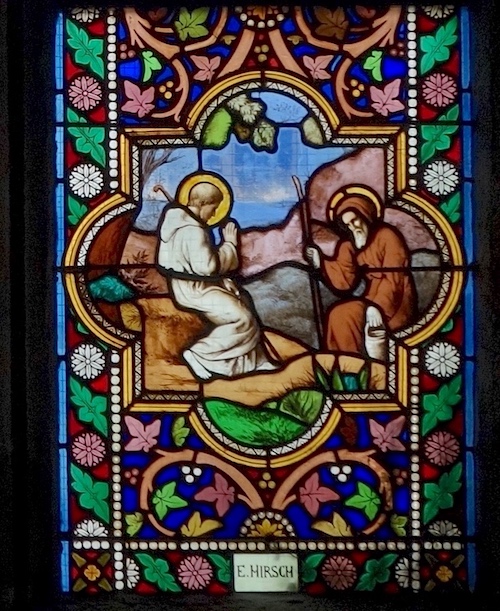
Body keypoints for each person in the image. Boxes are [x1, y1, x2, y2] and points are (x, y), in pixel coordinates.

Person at [157, 180, 276, 380]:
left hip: (196, 285)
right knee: (241, 318)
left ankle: (254, 361)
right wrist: (229, 244)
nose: (214, 214)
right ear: (203, 203)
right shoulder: (192, 230)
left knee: (243, 303)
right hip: (196, 290)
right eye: (214, 208)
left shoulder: (179, 224)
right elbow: (208, 267)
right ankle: (200, 354)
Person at [306, 192, 416, 359]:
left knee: (348, 314)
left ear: (365, 214)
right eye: (347, 225)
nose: (353, 227)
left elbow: (394, 278)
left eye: (354, 220)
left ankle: (355, 367)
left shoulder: (387, 236)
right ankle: (344, 366)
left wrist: (377, 308)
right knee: (338, 313)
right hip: (371, 299)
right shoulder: (349, 245)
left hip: (396, 300)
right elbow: (343, 281)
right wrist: (320, 262)